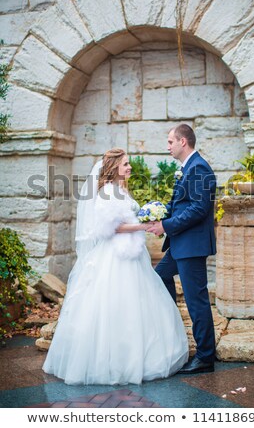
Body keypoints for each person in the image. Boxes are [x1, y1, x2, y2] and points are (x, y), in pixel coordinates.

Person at [43, 148, 188, 385]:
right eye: (125, 164)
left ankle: (137, 356)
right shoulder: (107, 193)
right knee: (114, 304)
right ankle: (113, 362)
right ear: (113, 169)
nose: (130, 167)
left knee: (137, 303)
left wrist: (144, 219)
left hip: (132, 254)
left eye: (129, 164)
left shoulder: (121, 190)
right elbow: (114, 228)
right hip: (114, 256)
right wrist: (143, 226)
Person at [147, 124, 216, 374]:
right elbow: (178, 203)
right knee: (159, 277)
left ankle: (206, 356)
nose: (167, 147)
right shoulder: (186, 169)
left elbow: (199, 209)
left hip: (192, 245)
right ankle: (172, 328)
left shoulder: (199, 168)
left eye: (170, 142)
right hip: (180, 244)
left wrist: (165, 225)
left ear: (183, 142)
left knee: (196, 300)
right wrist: (153, 214)